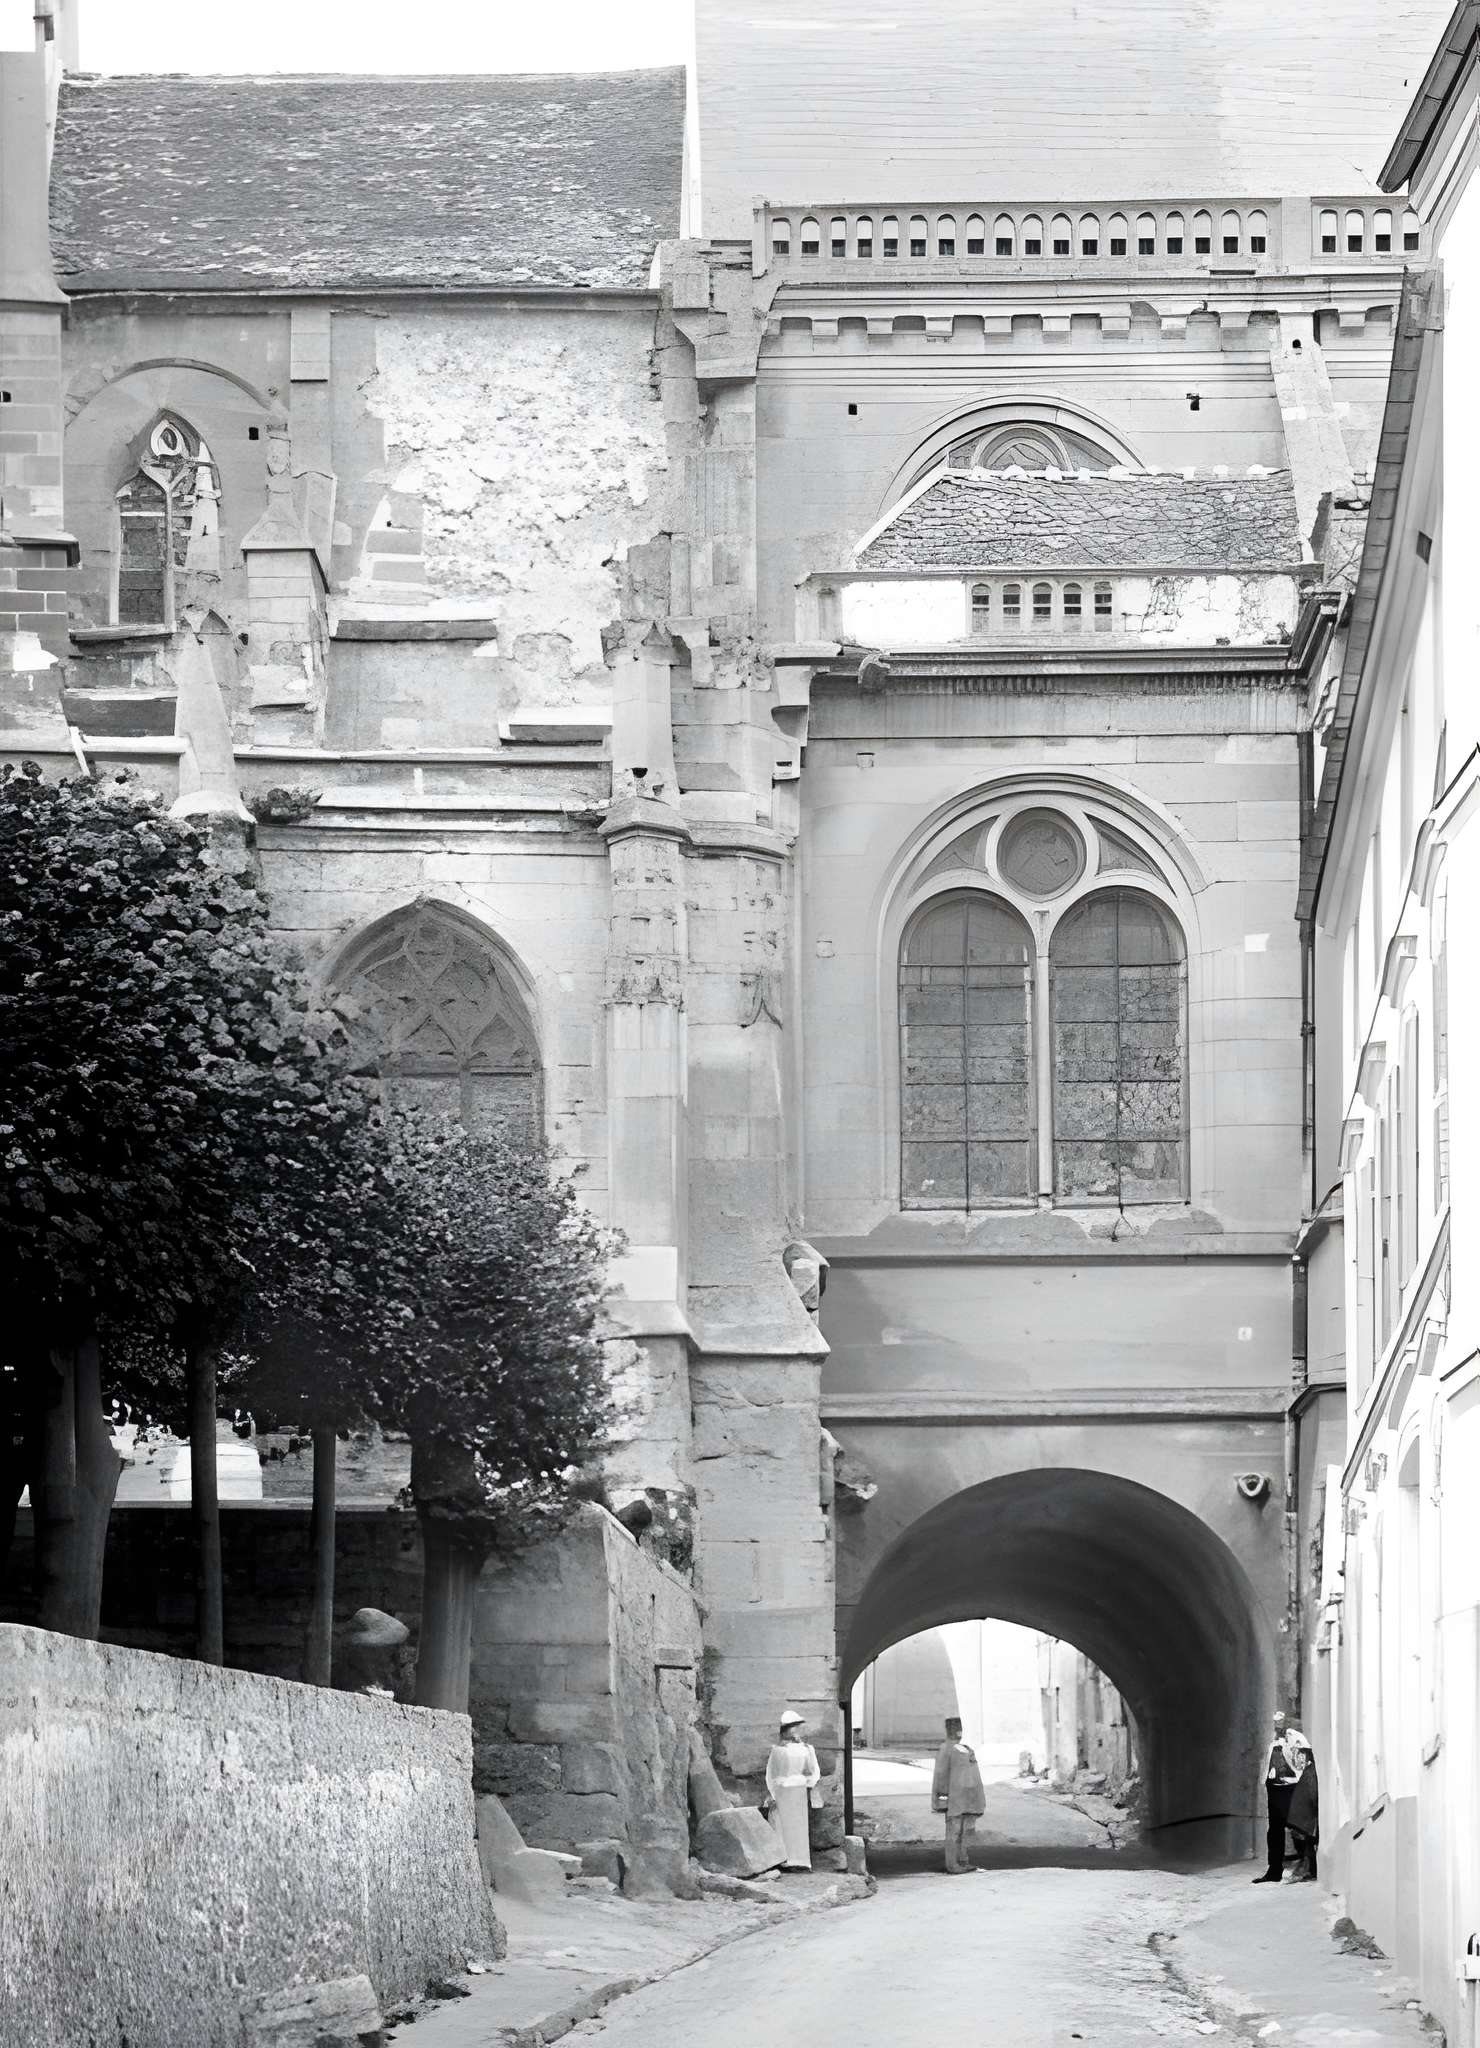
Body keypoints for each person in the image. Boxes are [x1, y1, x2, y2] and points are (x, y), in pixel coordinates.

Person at [1253, 1710, 1315, 1883]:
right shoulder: (1271, 1741)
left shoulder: (1294, 1739)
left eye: (1280, 1722)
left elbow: (1300, 1761)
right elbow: (1266, 1762)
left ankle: (1305, 1866)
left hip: (1291, 1788)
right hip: (1274, 1788)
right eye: (1275, 1722)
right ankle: (1274, 1871)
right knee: (1274, 1831)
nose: (1277, 1725)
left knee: (1298, 1827)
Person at [764, 1709, 822, 1870]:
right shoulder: (777, 1750)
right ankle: (784, 1860)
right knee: (782, 1825)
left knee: (799, 1826)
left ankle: (801, 1861)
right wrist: (773, 1793)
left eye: (797, 1726)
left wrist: (808, 1783)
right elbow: (771, 1773)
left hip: (799, 1791)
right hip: (782, 1791)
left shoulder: (807, 1749)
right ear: (785, 1730)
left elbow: (814, 1770)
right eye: (792, 1727)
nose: (796, 1730)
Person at [932, 1716, 987, 1874]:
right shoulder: (946, 1749)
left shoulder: (965, 1748)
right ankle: (952, 1864)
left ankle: (963, 1860)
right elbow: (941, 1775)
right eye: (955, 1728)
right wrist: (942, 1798)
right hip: (954, 1799)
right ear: (949, 1729)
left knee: (966, 1831)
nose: (958, 1731)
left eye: (959, 1728)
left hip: (969, 1798)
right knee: (954, 1831)